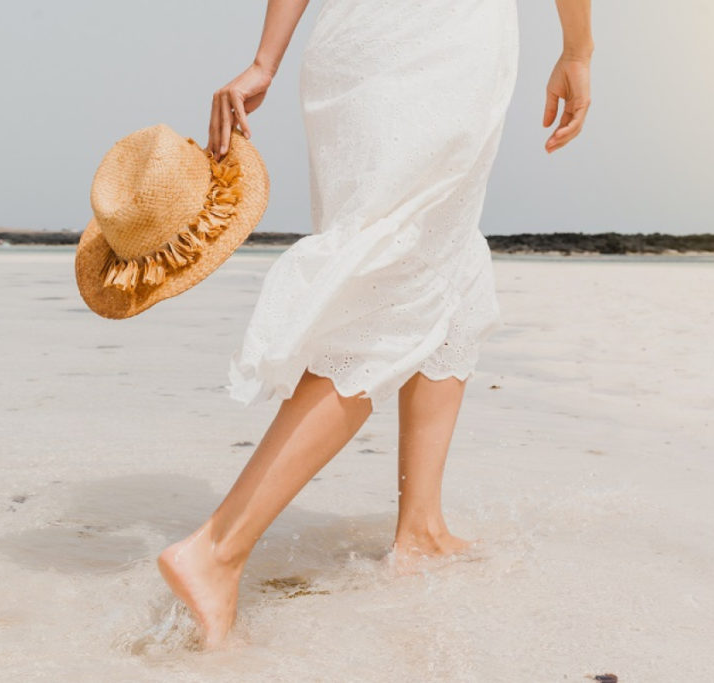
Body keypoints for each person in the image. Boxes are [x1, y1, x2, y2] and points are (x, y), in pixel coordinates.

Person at [158, 0, 593, 650]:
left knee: (438, 263)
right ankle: (217, 548)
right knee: (391, 295)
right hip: (446, 45)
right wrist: (577, 50)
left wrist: (264, 60)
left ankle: (421, 530)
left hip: (353, 51)